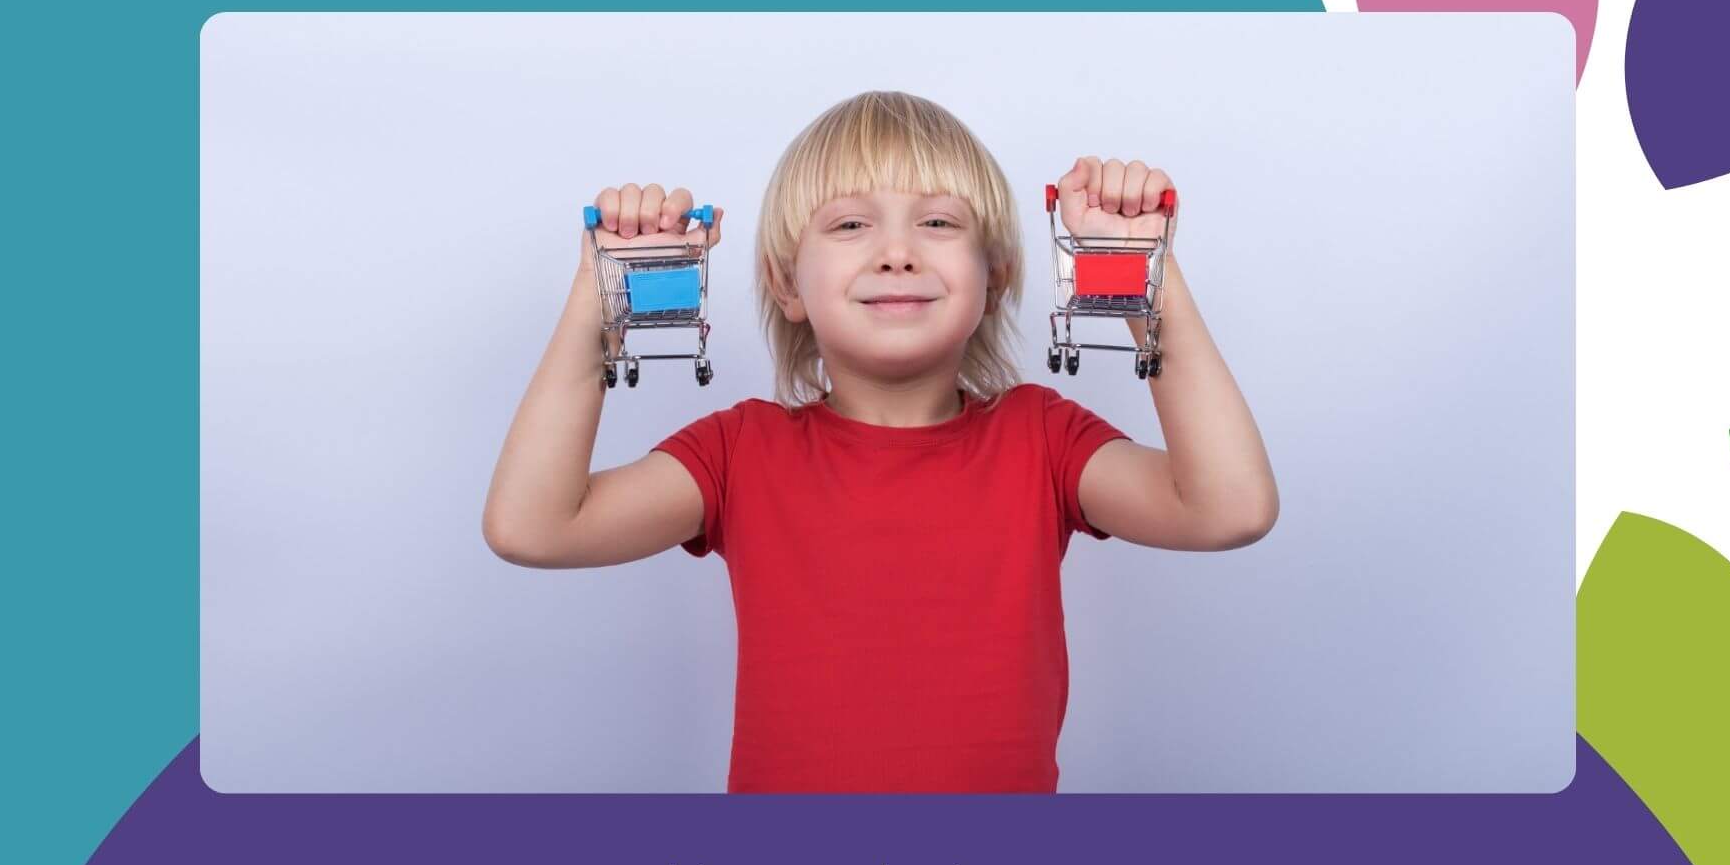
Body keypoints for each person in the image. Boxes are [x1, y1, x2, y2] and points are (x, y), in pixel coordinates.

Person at [482, 90, 1277, 792]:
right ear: (788, 284)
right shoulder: (740, 454)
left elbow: (1228, 509)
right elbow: (535, 527)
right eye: (852, 225)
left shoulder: (1042, 439)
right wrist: (601, 288)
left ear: (993, 277)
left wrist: (1137, 263)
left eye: (937, 222)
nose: (897, 251)